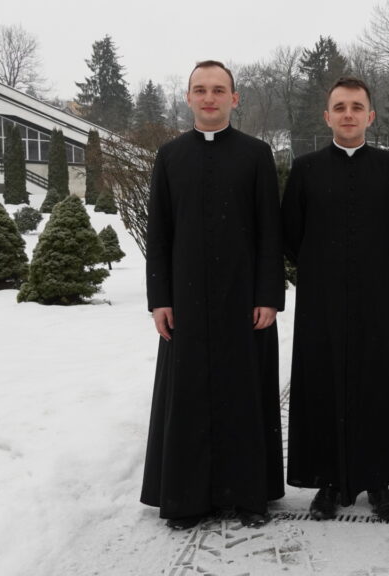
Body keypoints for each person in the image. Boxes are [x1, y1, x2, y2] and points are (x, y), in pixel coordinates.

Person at [141, 60, 285, 530]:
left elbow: (270, 231)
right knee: (187, 398)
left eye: (219, 90)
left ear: (234, 98)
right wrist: (160, 299)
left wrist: (268, 295)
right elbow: (159, 233)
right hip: (185, 301)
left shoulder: (256, 154)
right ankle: (186, 498)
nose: (209, 97)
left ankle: (247, 493)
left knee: (245, 395)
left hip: (244, 299)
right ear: (188, 97)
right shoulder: (170, 156)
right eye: (200, 89)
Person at [282, 76, 389, 522]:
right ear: (327, 116)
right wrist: (323, 265)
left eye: (357, 107)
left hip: (380, 296)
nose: (348, 114)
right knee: (323, 383)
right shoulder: (305, 169)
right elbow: (291, 233)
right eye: (340, 107)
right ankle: (328, 481)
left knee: (379, 384)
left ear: (370, 116)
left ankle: (379, 482)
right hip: (321, 297)